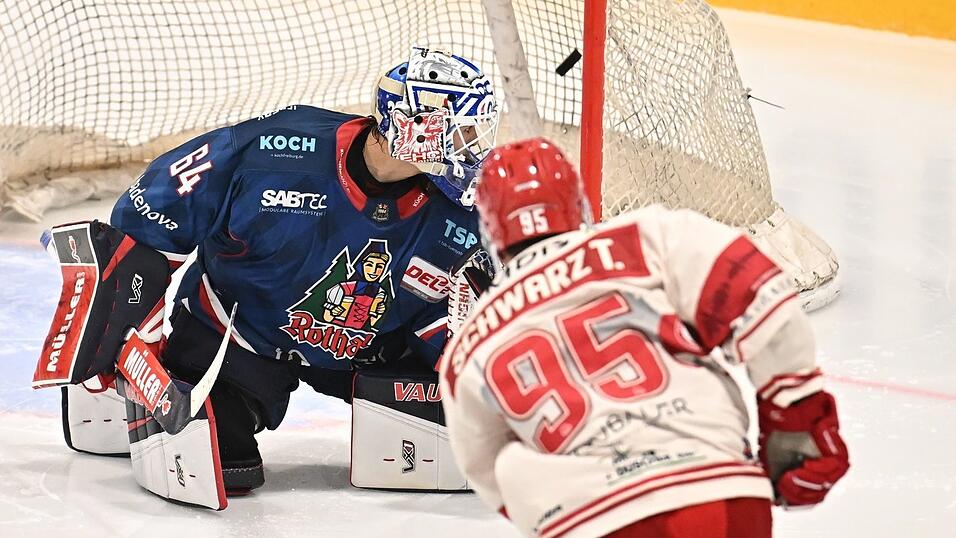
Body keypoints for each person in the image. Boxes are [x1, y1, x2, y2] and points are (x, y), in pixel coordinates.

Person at [32, 47, 498, 509]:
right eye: (463, 133)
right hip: (239, 338)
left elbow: (456, 315)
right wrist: (127, 337)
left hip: (369, 350)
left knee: (486, 443)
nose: (473, 148)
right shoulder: (273, 149)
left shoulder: (460, 211)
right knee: (223, 463)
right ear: (416, 127)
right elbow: (142, 227)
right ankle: (125, 402)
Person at [439, 138, 850, 538]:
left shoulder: (468, 344)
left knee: (513, 463)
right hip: (714, 494)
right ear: (576, 204)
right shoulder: (647, 237)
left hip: (590, 520)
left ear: (492, 232)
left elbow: (488, 474)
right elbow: (764, 299)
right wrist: (795, 419)